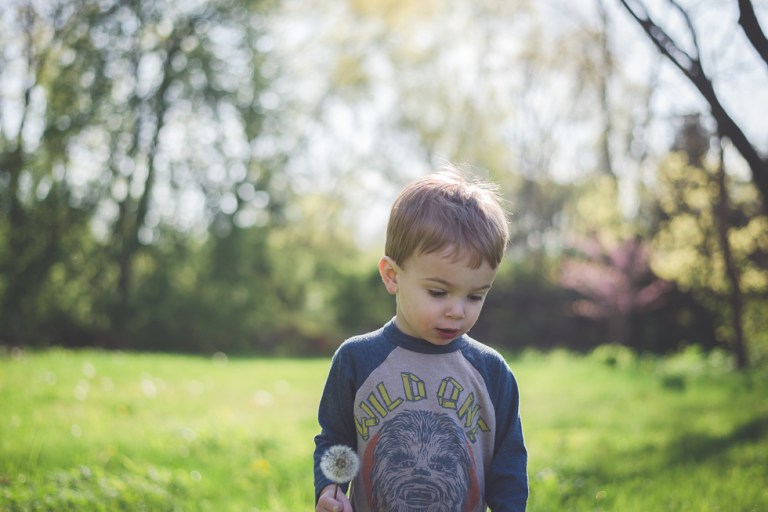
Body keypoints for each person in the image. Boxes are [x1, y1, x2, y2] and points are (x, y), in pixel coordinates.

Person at [313, 166, 528, 512]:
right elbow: (337, 442)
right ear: (392, 276)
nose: (457, 311)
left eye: (475, 296)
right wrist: (330, 489)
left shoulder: (492, 372)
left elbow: (509, 467)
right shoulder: (357, 359)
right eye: (439, 292)